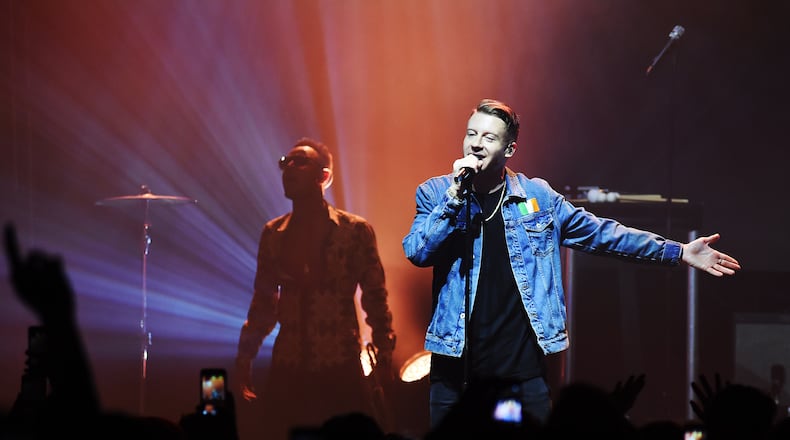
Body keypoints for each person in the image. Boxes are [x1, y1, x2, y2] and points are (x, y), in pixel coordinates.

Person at [401, 98, 741, 429]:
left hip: (520, 373)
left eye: (489, 137)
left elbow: (603, 234)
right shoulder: (436, 193)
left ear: (510, 149)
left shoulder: (537, 197)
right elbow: (418, 252)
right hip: (455, 369)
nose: (476, 144)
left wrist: (679, 251)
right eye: (471, 134)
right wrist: (455, 196)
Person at [235, 138, 397, 440]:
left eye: (300, 162)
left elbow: (375, 297)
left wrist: (384, 355)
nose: (288, 167)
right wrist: (244, 358)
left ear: (324, 176)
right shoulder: (273, 234)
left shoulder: (354, 231)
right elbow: (263, 304)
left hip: (340, 366)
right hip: (288, 367)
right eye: (285, 162)